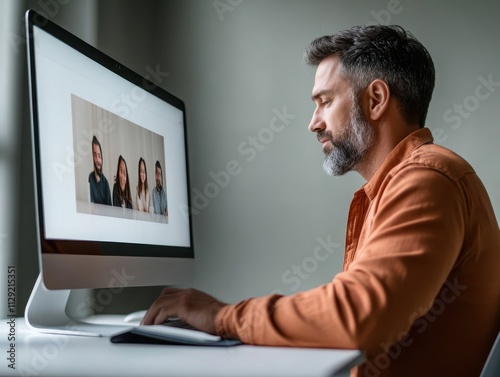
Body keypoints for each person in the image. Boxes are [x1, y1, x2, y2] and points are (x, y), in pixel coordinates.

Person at [141, 25, 500, 377]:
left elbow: (358, 317)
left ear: (375, 100)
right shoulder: (403, 182)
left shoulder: (427, 179)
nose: (313, 123)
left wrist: (221, 317)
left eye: (325, 101)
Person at [88, 136, 112, 205]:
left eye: (99, 156)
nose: (98, 160)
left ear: (102, 159)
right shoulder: (90, 178)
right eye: (95, 155)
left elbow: (110, 209)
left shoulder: (105, 183)